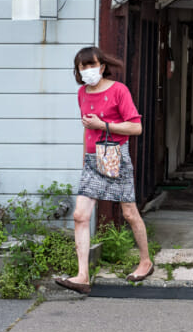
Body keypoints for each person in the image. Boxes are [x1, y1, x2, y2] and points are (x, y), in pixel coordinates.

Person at [54, 46, 154, 294]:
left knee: (129, 212)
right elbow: (88, 130)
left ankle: (145, 261)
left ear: (103, 65)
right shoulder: (82, 93)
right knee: (80, 215)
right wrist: (84, 160)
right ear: (78, 70)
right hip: (91, 159)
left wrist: (104, 125)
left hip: (115, 156)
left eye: (92, 65)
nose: (88, 70)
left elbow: (136, 128)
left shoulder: (119, 90)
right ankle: (82, 276)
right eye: (83, 66)